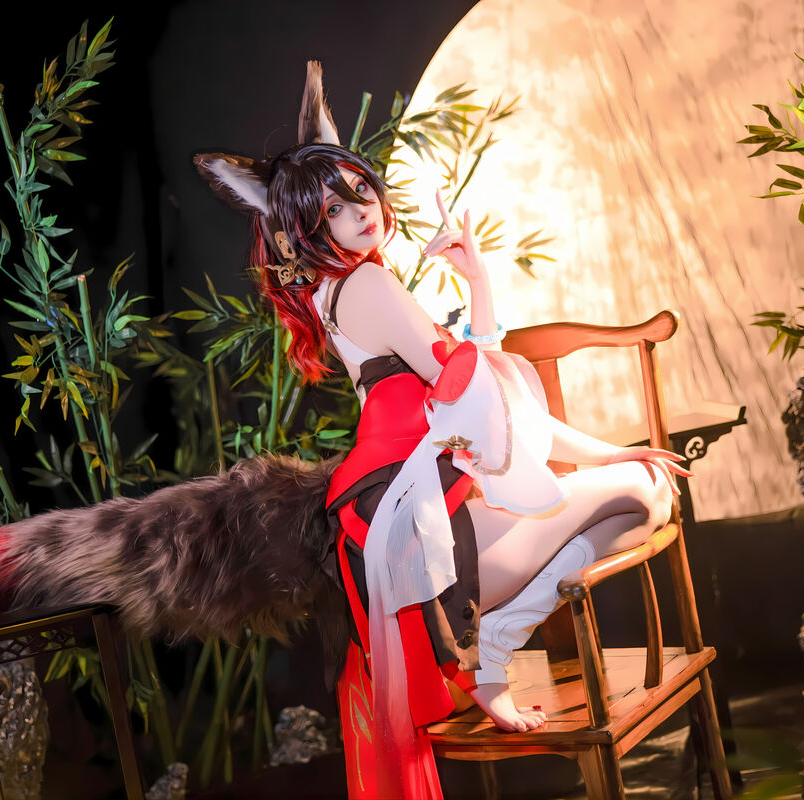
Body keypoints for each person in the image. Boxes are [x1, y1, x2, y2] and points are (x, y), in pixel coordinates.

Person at [195, 62, 688, 800]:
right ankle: (495, 648)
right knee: (649, 494)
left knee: (638, 481)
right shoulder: (367, 283)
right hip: (427, 523)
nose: (360, 209)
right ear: (305, 230)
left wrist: (479, 288)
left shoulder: (337, 292)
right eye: (333, 209)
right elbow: (482, 395)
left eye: (359, 189)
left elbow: (487, 401)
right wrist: (479, 290)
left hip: (405, 517)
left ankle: (491, 647)